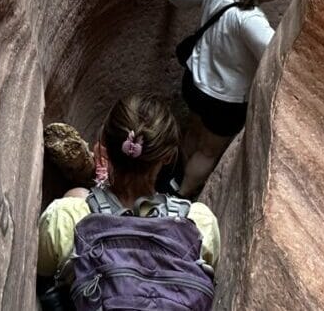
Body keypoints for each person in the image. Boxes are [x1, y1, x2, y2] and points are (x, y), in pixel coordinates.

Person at [37, 93, 220, 310]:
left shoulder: (67, 216)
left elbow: (41, 271)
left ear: (105, 147)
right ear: (169, 156)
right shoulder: (199, 223)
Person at [167, 0, 299, 199]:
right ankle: (181, 196)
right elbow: (280, 62)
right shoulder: (253, 23)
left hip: (193, 83)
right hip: (224, 103)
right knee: (207, 151)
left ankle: (175, 180)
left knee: (194, 131)